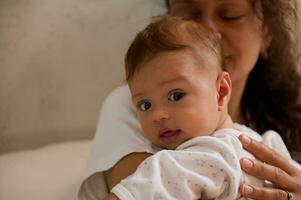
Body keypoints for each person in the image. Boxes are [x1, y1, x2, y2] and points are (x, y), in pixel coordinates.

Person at [78, 0, 301, 199]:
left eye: (230, 15)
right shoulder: (128, 106)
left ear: (267, 32)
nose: (210, 31)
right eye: (189, 16)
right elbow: (155, 185)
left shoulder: (270, 139)